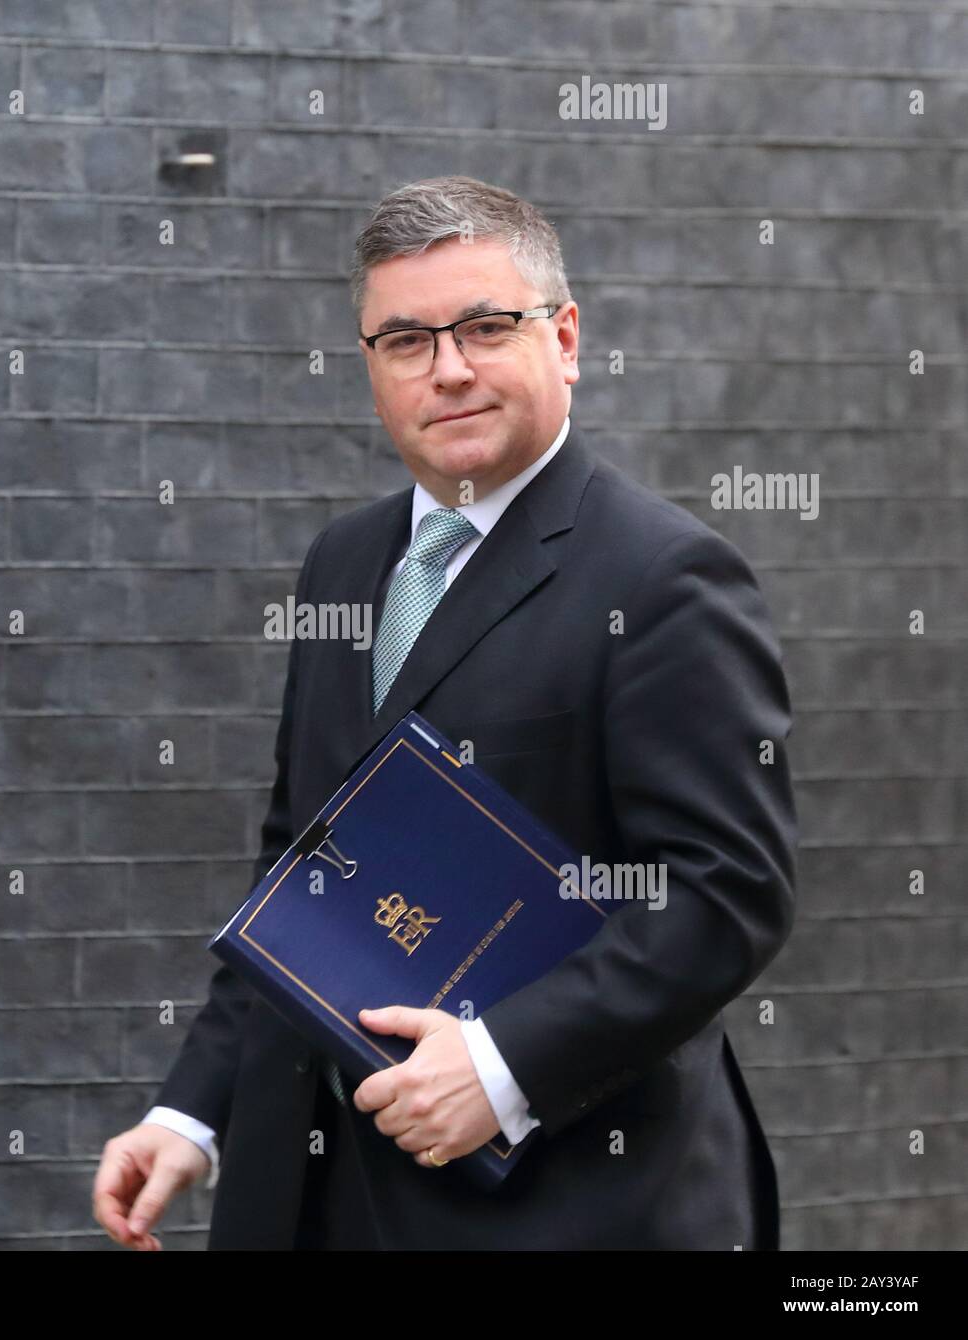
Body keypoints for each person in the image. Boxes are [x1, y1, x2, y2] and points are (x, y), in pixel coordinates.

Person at [93, 175, 797, 1251]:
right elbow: (305, 869)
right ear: (371, 368)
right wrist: (193, 1108)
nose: (449, 367)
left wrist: (500, 1060)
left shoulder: (665, 579)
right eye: (407, 340)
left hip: (569, 1198)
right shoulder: (341, 561)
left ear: (563, 338)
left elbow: (723, 892)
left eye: (484, 325)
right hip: (313, 1191)